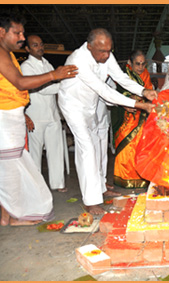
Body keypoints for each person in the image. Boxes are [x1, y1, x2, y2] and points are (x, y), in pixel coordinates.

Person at [59, 28, 156, 215]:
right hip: (73, 106)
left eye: (109, 51)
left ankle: (101, 187)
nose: (106, 55)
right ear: (89, 47)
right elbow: (104, 90)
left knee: (97, 145)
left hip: (90, 104)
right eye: (101, 51)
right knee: (86, 147)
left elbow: (119, 77)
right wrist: (139, 104)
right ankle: (91, 200)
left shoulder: (106, 54)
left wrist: (143, 91)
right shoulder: (78, 60)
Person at [0, 14, 76, 225]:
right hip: (5, 120)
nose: (21, 37)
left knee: (9, 171)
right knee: (12, 172)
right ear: (1, 32)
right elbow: (20, 83)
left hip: (12, 117)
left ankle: (7, 217)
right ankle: (14, 216)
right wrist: (54, 76)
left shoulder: (8, 54)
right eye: (17, 33)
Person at [20, 34, 67, 193]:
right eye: (35, 45)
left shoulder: (47, 63)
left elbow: (54, 83)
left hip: (52, 115)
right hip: (36, 117)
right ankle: (36, 187)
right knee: (35, 153)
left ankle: (57, 184)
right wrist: (63, 87)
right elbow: (42, 88)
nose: (39, 47)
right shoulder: (26, 66)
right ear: (27, 48)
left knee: (56, 151)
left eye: (40, 44)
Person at [110, 50, 152, 189]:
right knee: (127, 146)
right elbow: (117, 93)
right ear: (130, 63)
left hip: (142, 115)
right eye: (137, 64)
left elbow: (149, 92)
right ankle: (124, 177)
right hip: (125, 115)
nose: (140, 67)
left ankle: (141, 176)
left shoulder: (145, 75)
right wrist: (129, 99)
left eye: (143, 64)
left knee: (141, 146)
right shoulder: (123, 75)